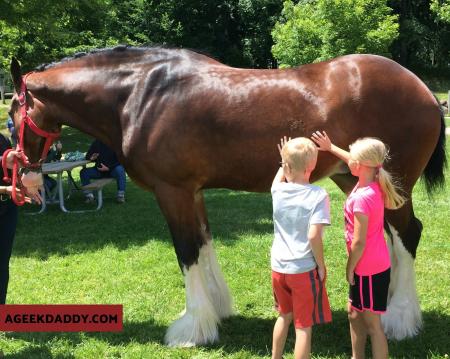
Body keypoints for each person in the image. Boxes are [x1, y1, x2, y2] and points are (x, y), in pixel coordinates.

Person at [311, 131, 406, 359]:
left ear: (362, 165)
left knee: (373, 324)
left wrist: (350, 268)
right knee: (354, 313)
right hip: (369, 266)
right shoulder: (371, 180)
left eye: (352, 159)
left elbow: (359, 242)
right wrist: (331, 147)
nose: (348, 161)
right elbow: (352, 159)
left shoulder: (363, 197)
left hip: (368, 269)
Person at [271, 136, 332, 359]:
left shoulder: (277, 191)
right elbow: (314, 235)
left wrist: (283, 162)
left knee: (283, 315)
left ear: (286, 166)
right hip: (303, 270)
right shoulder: (318, 195)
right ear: (312, 166)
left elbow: (278, 180)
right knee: (303, 326)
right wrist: (321, 265)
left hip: (278, 268)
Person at [0, 134, 22, 304]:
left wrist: (23, 186)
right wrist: (6, 190)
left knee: (2, 263)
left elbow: (12, 172)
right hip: (5, 196)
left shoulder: (3, 140)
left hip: (7, 209)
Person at [80, 139, 126, 203]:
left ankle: (121, 196)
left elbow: (121, 160)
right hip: (98, 171)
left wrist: (109, 168)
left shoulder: (115, 143)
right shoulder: (97, 143)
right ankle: (89, 196)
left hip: (112, 171)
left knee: (120, 169)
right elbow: (88, 156)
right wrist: (91, 158)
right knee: (84, 172)